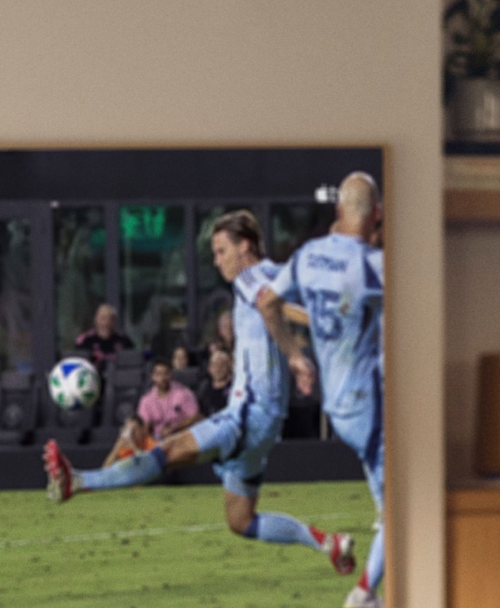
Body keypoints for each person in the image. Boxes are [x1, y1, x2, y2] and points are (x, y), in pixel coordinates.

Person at [41, 211, 353, 578]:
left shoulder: (249, 276)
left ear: (245, 246)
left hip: (247, 414)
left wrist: (296, 357)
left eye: (221, 251)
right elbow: (286, 303)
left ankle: (77, 481)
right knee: (241, 520)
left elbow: (271, 306)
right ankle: (329, 544)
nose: (217, 260)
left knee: (167, 451)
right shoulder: (276, 272)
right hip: (268, 424)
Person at [261, 172, 386, 608]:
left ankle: (371, 583)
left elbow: (266, 302)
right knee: (402, 508)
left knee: (391, 501)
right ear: (378, 213)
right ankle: (364, 593)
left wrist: (295, 355)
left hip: (335, 404)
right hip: (369, 403)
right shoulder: (373, 266)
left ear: (338, 211)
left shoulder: (309, 255)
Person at [134, 356, 201, 440]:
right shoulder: (146, 400)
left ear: (171, 374)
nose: (162, 378)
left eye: (166, 373)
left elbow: (197, 418)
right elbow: (145, 427)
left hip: (181, 437)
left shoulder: (183, 393)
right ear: (153, 377)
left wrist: (174, 428)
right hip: (157, 441)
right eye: (158, 374)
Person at [73, 301, 135, 370]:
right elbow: (77, 367)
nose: (106, 323)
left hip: (118, 379)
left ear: (114, 322)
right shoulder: (85, 341)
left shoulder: (125, 341)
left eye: (110, 319)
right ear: (95, 320)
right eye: (103, 318)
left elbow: (133, 366)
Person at [195, 341, 233, 417]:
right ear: (209, 369)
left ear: (229, 368)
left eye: (222, 365)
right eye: (215, 365)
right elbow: (201, 413)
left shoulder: (235, 387)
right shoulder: (204, 388)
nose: (218, 369)